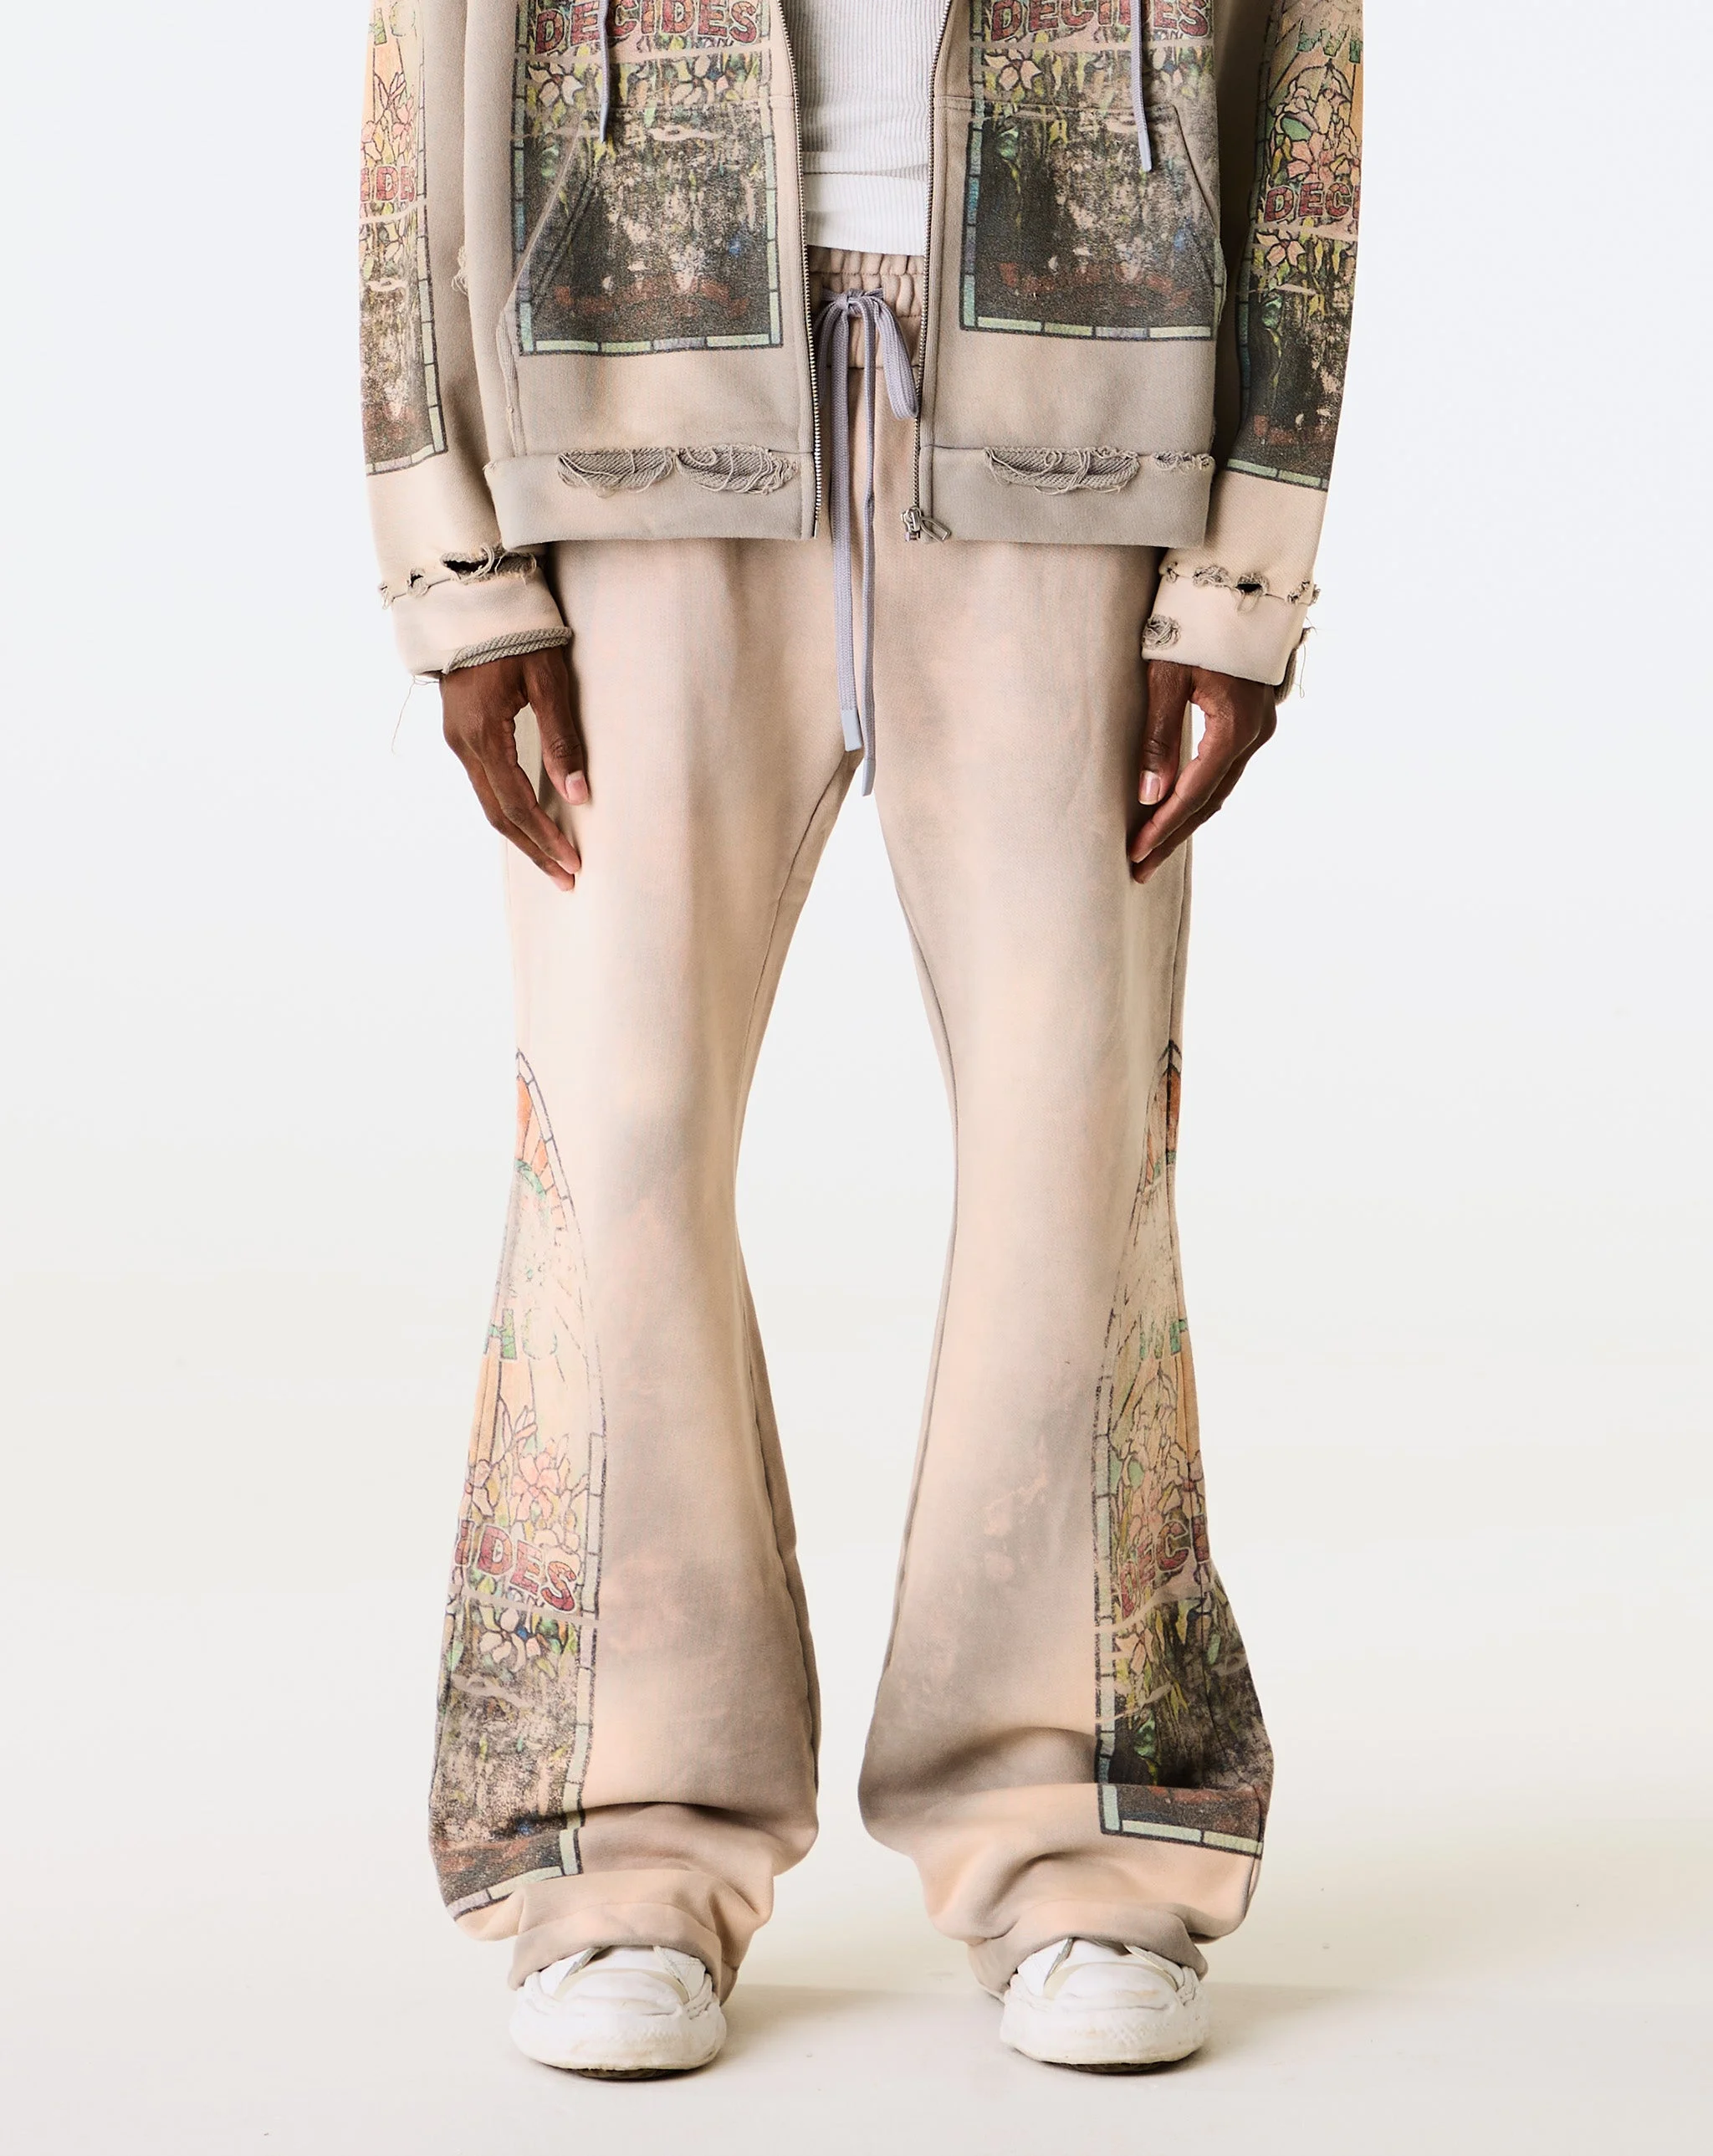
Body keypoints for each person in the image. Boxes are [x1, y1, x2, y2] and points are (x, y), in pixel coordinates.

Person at [359, 0, 1362, 2078]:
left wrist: (1249, 556)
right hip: (625, 351)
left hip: (1086, 369)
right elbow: (414, 56)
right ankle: (619, 1842)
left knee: (1070, 1128)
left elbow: (1310, 73)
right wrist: (449, 553)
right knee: (619, 1129)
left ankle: (1076, 1822)